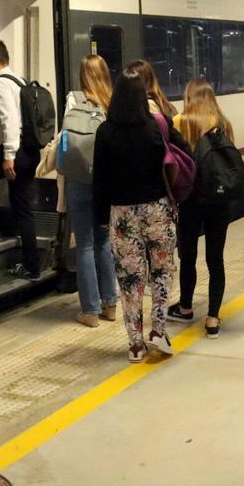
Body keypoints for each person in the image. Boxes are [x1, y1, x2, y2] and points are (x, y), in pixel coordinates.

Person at [93, 68, 191, 362]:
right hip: (157, 210)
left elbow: (100, 180)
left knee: (129, 279)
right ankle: (158, 330)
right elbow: (185, 150)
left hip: (122, 215)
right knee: (162, 272)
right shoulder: (157, 125)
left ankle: (135, 344)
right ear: (142, 97)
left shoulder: (105, 132)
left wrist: (101, 216)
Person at [167, 78, 234, 339]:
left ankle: (185, 307)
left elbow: (173, 160)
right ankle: (213, 318)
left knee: (188, 256)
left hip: (191, 199)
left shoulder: (181, 122)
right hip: (220, 200)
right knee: (215, 259)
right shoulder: (224, 123)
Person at [64, 55, 119, 328]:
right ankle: (110, 304)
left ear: (82, 75)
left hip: (78, 180)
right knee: (104, 242)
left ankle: (90, 310)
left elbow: (64, 140)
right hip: (104, 182)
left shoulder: (73, 100)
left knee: (84, 244)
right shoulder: (112, 102)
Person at [0, 40, 41, 281]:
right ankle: (31, 262)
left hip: (16, 152)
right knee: (24, 208)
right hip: (30, 150)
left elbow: (9, 120)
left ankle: (31, 265)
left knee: (21, 209)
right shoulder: (19, 80)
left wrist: (8, 156)